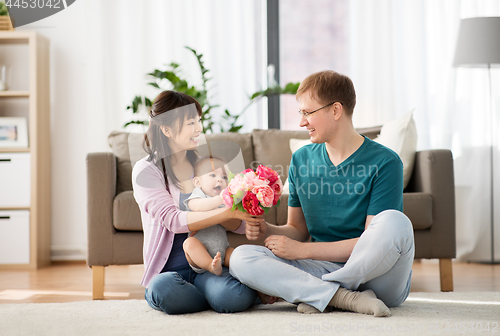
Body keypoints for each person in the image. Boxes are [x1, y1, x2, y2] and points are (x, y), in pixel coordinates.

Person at [229, 70, 415, 317]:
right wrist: (266, 229)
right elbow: (298, 230)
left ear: (336, 110)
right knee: (242, 257)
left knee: (396, 222)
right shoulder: (301, 159)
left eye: (308, 113)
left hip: (379, 279)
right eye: (301, 113)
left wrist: (302, 251)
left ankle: (320, 292)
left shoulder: (385, 162)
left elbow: (371, 244)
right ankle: (341, 297)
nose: (301, 122)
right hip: (322, 269)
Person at [132, 90, 266, 314]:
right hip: (171, 271)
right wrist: (227, 214)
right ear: (166, 129)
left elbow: (234, 214)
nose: (199, 129)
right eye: (190, 123)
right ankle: (212, 298)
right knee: (161, 290)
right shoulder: (147, 170)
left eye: (199, 121)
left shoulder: (207, 165)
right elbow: (173, 221)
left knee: (232, 297)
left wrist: (243, 215)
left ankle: (213, 295)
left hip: (209, 268)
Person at [182, 156, 234, 276]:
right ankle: (211, 266)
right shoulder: (198, 196)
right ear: (197, 182)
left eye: (224, 177)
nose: (220, 180)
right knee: (189, 243)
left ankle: (261, 289)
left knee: (240, 257)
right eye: (213, 175)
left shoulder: (224, 201)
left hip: (223, 251)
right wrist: (220, 199)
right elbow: (199, 207)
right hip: (200, 252)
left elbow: (234, 220)